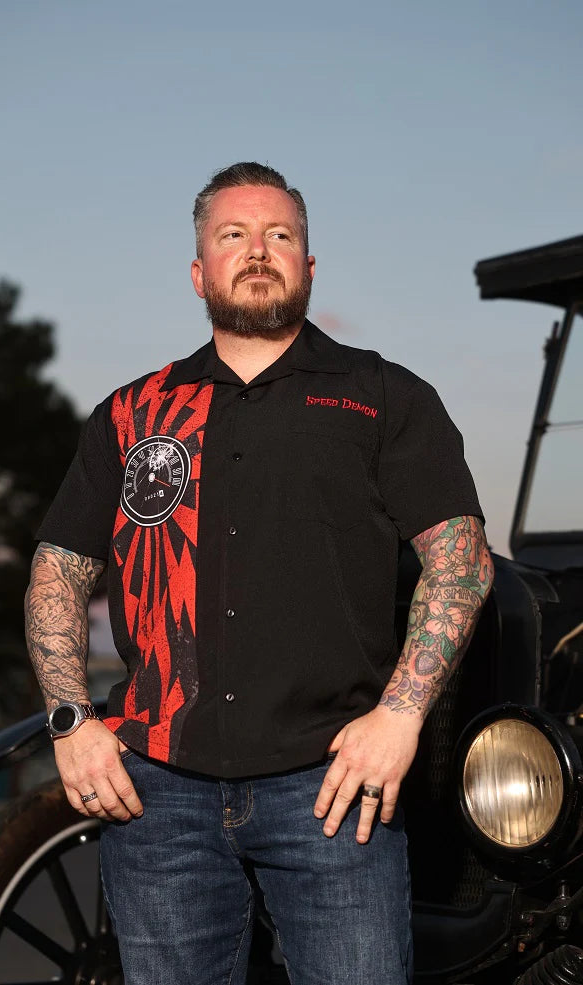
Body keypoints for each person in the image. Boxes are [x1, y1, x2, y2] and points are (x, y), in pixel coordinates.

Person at [25, 161, 494, 985]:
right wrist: (70, 719)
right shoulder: (132, 413)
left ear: (307, 266)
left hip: (332, 786)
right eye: (232, 234)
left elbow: (460, 560)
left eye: (279, 234)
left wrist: (400, 714)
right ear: (198, 270)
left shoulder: (384, 397)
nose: (257, 250)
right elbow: (58, 571)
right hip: (156, 793)